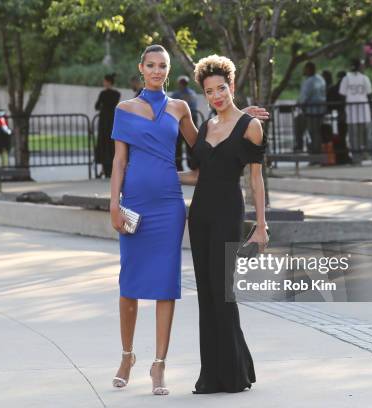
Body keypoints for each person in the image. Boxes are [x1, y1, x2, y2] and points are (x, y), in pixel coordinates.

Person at [109, 44, 268, 396]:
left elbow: (223, 163)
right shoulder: (128, 110)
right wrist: (115, 203)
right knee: (139, 284)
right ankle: (135, 358)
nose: (156, 70)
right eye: (150, 65)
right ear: (141, 68)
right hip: (155, 205)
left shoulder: (181, 109)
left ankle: (171, 367)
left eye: (162, 65)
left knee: (189, 287)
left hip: (186, 208)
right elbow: (125, 162)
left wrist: (244, 118)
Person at [178, 54, 267, 394]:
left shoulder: (250, 126)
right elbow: (198, 174)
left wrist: (261, 225)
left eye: (221, 88)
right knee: (207, 293)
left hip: (229, 212)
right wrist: (161, 178)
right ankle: (214, 375)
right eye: (210, 91)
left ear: (232, 86)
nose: (217, 96)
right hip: (199, 215)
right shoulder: (206, 127)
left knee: (222, 290)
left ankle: (234, 372)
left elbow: (256, 181)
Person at [339, 59, 372, 165]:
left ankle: (357, 158)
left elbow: (342, 95)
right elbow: (369, 95)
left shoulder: (346, 79)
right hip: (364, 111)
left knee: (354, 137)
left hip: (352, 111)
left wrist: (343, 110)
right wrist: (371, 110)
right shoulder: (365, 78)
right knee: (368, 136)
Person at [294, 61, 327, 158]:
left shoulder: (309, 81)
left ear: (309, 69)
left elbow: (304, 97)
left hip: (311, 111)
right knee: (317, 131)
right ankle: (316, 152)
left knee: (313, 132)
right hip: (320, 110)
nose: (304, 71)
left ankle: (315, 154)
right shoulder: (320, 79)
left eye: (305, 68)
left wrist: (299, 105)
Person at [94, 73, 121, 178]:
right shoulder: (117, 94)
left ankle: (104, 169)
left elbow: (96, 106)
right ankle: (112, 168)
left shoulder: (103, 94)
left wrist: (102, 107)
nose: (103, 83)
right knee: (112, 145)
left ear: (108, 82)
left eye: (104, 81)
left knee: (103, 144)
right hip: (113, 122)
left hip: (104, 122)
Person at [171, 75, 198, 170]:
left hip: (179, 122)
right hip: (192, 121)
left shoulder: (176, 95)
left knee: (178, 145)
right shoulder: (193, 93)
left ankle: (179, 167)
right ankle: (192, 166)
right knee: (191, 145)